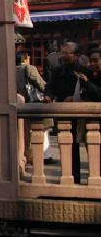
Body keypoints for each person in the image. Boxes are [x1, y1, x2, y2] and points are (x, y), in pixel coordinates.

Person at [45, 42, 93, 183]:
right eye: (63, 53)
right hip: (64, 113)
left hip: (82, 114)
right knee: (67, 145)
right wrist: (48, 96)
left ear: (77, 55)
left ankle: (93, 176)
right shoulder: (57, 71)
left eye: (67, 53)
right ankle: (71, 178)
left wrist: (78, 98)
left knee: (90, 145)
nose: (63, 56)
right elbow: (50, 87)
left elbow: (92, 91)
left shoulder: (86, 71)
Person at [16, 51, 52, 163]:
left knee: (23, 131)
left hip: (19, 103)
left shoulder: (11, 70)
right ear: (26, 58)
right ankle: (44, 155)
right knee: (42, 128)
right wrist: (49, 93)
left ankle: (26, 154)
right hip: (33, 102)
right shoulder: (29, 68)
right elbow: (40, 83)